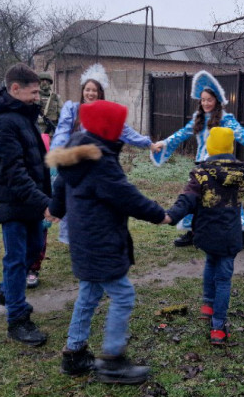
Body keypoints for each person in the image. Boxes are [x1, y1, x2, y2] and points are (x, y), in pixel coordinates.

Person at [47, 100, 171, 384]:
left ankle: (74, 353)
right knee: (123, 295)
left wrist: (55, 209)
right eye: (119, 127)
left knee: (89, 294)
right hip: (100, 240)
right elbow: (126, 196)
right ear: (109, 129)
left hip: (84, 239)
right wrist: (159, 215)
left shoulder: (77, 152)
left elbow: (61, 184)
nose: (122, 132)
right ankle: (113, 362)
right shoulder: (100, 161)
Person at [166, 127, 244, 345]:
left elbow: (187, 199)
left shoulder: (201, 175)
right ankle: (218, 326)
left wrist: (171, 215)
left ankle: (207, 305)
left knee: (210, 263)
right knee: (223, 279)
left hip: (206, 235)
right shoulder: (240, 176)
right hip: (229, 237)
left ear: (211, 148)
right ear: (230, 149)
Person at [0, 62, 54, 346]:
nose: (38, 96)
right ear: (15, 89)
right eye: (34, 91)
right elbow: (13, 173)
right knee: (16, 259)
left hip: (30, 201)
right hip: (15, 203)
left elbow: (36, 160)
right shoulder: (3, 123)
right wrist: (43, 203)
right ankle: (17, 320)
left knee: (35, 248)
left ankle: (5, 291)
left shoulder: (22, 115)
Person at [150, 70, 244, 247]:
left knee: (227, 198)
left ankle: (243, 231)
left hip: (221, 167)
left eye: (209, 100)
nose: (205, 103)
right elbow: (181, 134)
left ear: (216, 100)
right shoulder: (198, 118)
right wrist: (164, 143)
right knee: (194, 196)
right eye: (202, 100)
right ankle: (193, 232)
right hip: (201, 166)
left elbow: (243, 135)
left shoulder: (226, 119)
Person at [51, 63, 153, 244]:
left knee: (95, 204)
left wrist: (148, 143)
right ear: (82, 90)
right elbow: (61, 131)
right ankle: (73, 237)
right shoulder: (72, 109)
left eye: (94, 91)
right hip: (74, 165)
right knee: (72, 200)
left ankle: (88, 237)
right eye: (87, 90)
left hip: (97, 165)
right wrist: (59, 154)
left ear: (100, 93)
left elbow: (125, 131)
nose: (90, 94)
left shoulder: (104, 112)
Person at [23, 72, 62, 290]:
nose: (43, 88)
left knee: (41, 226)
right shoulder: (26, 109)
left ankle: (33, 267)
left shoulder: (54, 100)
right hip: (36, 152)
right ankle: (28, 267)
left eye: (45, 84)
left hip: (50, 147)